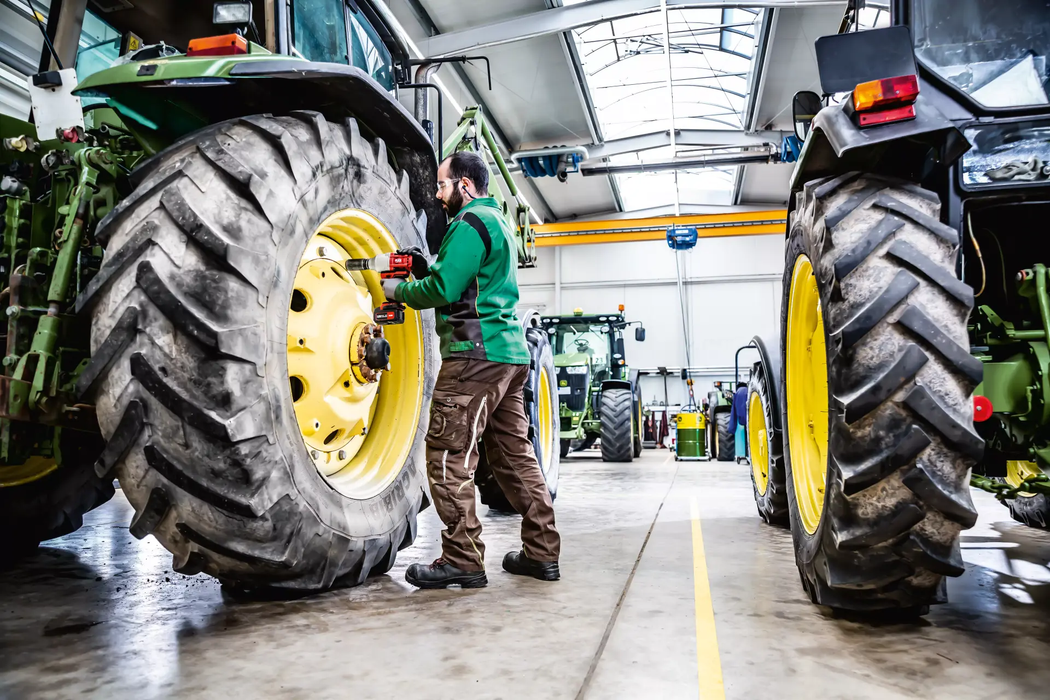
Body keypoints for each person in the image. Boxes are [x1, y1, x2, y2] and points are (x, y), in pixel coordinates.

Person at [381, 151, 561, 589]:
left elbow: (442, 289)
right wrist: (430, 269)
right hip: (508, 357)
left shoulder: (468, 224)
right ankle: (542, 553)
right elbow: (464, 279)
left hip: (473, 358)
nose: (439, 196)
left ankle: (462, 558)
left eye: (442, 186)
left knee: (447, 455)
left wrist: (399, 289)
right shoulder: (496, 221)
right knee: (517, 458)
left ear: (464, 185)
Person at [728, 381, 748, 460]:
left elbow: (733, 412)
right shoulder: (748, 390)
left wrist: (732, 429)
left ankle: (744, 454)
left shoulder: (737, 393)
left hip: (742, 419)